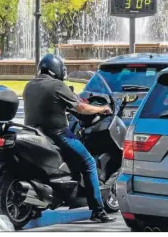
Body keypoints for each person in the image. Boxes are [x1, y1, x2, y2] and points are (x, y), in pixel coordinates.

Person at [23, 54, 116, 223]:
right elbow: (81, 108)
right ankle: (98, 210)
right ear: (57, 69)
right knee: (88, 162)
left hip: (33, 133)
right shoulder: (57, 85)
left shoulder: (30, 85)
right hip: (57, 134)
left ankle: (35, 207)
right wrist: (101, 109)